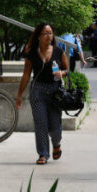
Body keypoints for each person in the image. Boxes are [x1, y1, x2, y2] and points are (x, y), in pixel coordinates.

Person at [16, 22, 69, 165]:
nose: (48, 36)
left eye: (50, 33)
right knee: (40, 123)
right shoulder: (32, 53)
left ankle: (56, 144)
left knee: (55, 125)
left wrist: (62, 73)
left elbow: (67, 70)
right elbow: (26, 75)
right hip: (38, 90)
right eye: (45, 33)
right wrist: (19, 95)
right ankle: (43, 154)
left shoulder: (58, 51)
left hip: (54, 91)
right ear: (39, 36)